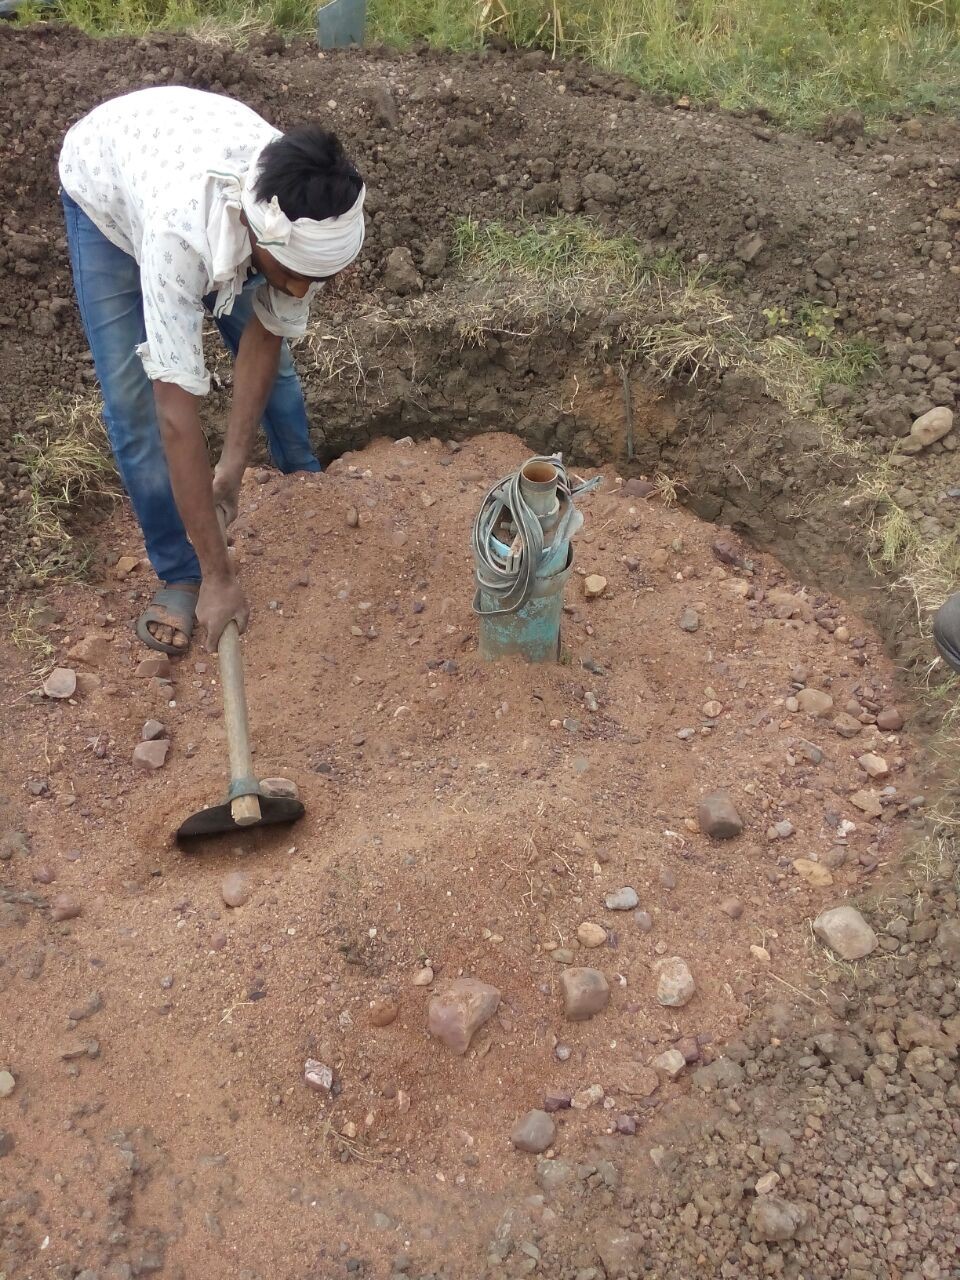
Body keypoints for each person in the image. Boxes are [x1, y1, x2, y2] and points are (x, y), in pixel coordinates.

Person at [58, 86, 365, 654]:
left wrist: (231, 465)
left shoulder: (304, 209)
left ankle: (304, 484)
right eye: (294, 273)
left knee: (280, 370)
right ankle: (184, 572)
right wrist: (223, 575)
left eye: (314, 276)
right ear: (257, 234)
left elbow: (266, 336)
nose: (302, 289)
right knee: (135, 407)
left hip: (185, 161)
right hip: (108, 190)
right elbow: (175, 416)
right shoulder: (179, 239)